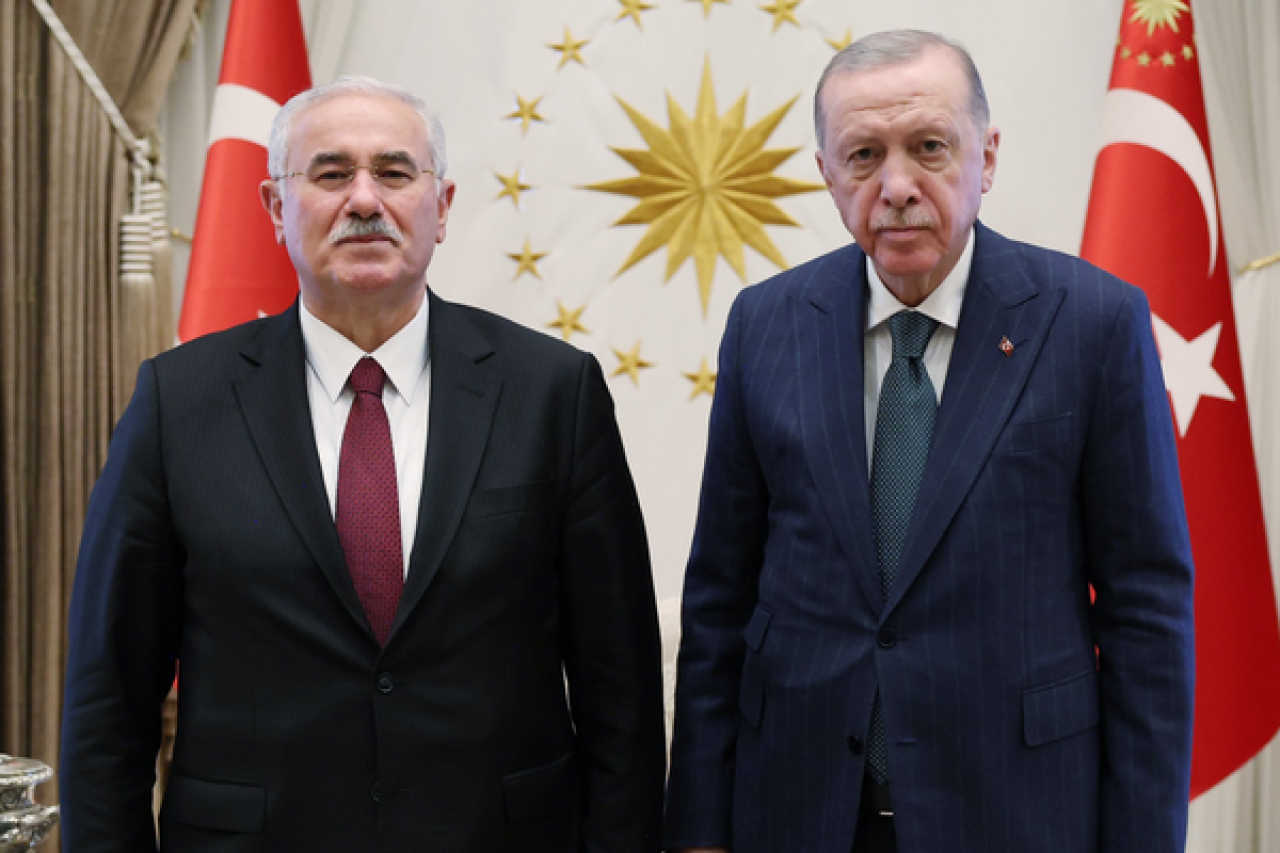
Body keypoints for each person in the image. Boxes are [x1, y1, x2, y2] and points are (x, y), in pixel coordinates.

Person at [60, 76, 666, 852]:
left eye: (393, 171)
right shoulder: (178, 402)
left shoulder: (554, 391)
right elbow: (108, 701)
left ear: (441, 206)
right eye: (331, 172)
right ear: (275, 207)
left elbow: (623, 696)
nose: (365, 199)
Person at [664, 30, 1194, 853]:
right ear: (827, 174)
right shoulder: (765, 326)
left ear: (987, 156)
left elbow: (1146, 615)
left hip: (1016, 814)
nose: (898, 186)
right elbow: (719, 602)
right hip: (799, 810)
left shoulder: (1093, 323)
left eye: (929, 147)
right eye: (864, 155)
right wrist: (699, 831)